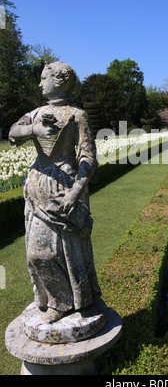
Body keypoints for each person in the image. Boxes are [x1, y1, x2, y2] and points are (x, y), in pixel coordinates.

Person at [9, 62, 101, 323]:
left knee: (69, 251)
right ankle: (57, 300)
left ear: (59, 81)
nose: (40, 84)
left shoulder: (77, 115)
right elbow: (14, 131)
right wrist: (33, 130)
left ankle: (73, 300)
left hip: (65, 187)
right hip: (38, 185)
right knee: (37, 252)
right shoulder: (36, 113)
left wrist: (76, 190)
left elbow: (87, 157)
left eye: (43, 78)